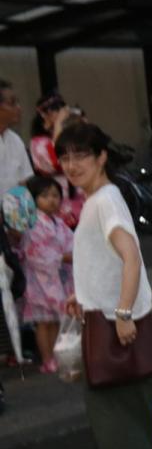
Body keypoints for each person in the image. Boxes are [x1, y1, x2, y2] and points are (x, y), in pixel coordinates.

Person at [57, 122, 152, 449]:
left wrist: (122, 312)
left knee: (117, 398)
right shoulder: (98, 199)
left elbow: (130, 256)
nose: (72, 165)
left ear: (101, 157)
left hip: (116, 318)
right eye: (65, 157)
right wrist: (84, 294)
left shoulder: (106, 199)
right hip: (105, 313)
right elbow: (106, 261)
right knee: (109, 397)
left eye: (81, 156)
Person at [19, 176, 73, 373]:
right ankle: (47, 358)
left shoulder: (59, 222)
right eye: (45, 196)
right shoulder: (33, 225)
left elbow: (71, 242)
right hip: (40, 280)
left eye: (55, 195)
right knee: (44, 321)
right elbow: (36, 254)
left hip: (57, 277)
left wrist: (70, 255)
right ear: (33, 200)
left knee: (56, 320)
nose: (52, 200)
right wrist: (63, 257)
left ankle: (56, 356)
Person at [30, 93, 83, 227]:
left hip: (78, 197)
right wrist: (59, 125)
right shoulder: (38, 142)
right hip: (58, 201)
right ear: (43, 115)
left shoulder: (68, 135)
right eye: (55, 110)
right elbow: (56, 162)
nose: (60, 113)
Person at [0, 80, 32, 194]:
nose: (19, 108)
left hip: (14, 210)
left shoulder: (16, 140)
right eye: (12, 103)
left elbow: (23, 183)